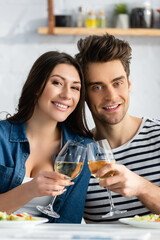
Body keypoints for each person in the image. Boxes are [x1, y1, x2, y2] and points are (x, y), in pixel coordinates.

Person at [76, 33, 160, 223]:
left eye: (118, 83)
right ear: (84, 95)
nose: (111, 96)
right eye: (97, 87)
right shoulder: (78, 155)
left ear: (129, 84)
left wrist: (142, 188)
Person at [0, 51, 93, 223]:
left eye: (75, 87)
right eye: (57, 83)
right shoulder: (1, 137)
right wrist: (30, 190)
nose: (67, 95)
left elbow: (68, 222)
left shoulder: (82, 149)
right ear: (36, 86)